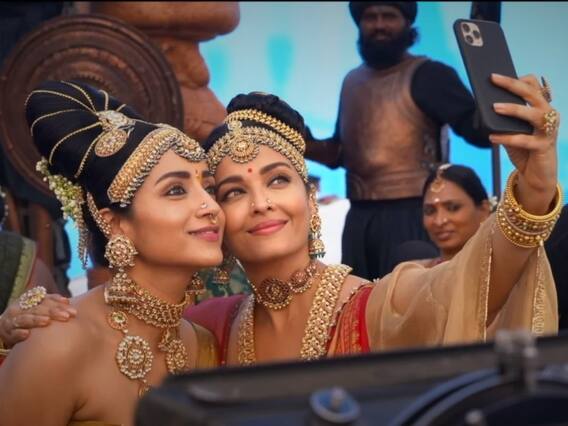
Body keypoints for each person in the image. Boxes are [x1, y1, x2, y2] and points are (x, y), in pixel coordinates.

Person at [2, 73, 563, 367]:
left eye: (277, 180)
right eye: (233, 191)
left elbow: (476, 282)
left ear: (309, 198)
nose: (261, 203)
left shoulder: (378, 305)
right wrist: (17, 335)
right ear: (214, 216)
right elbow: (105, 351)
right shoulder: (206, 331)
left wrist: (534, 190)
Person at [0, 80, 223, 425]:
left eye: (209, 187)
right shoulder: (59, 342)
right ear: (116, 224)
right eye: (176, 190)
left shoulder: (202, 343)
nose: (210, 206)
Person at [305, 1, 492, 280]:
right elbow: (343, 153)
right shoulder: (352, 81)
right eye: (371, 17)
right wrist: (302, 141)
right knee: (359, 300)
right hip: (359, 219)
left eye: (389, 16)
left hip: (412, 214)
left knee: (411, 299)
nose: (379, 25)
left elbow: (479, 131)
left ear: (407, 23)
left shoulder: (430, 75)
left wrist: (495, 97)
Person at [416, 163, 492, 268]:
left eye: (453, 208)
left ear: (483, 211)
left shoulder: (504, 272)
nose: (439, 221)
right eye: (430, 211)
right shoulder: (414, 275)